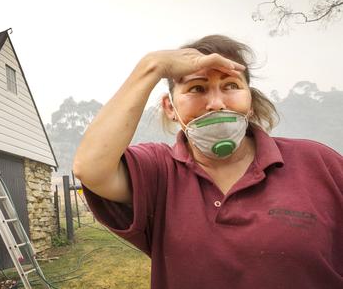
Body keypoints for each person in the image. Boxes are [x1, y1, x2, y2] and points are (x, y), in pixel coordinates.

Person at [73, 35, 343, 289]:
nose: (216, 103)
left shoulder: (320, 163)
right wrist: (153, 64)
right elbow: (90, 168)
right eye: (197, 88)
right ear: (170, 108)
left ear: (250, 102)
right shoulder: (157, 171)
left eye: (231, 86)